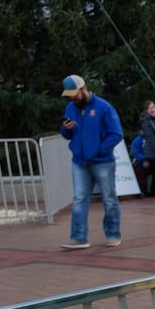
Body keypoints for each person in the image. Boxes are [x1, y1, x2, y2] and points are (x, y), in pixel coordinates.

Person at [59, 75, 123, 249]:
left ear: (83, 89)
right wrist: (66, 129)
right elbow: (66, 135)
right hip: (79, 161)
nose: (72, 97)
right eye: (70, 95)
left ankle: (112, 234)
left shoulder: (103, 107)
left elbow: (116, 133)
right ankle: (78, 237)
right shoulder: (70, 108)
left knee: (109, 198)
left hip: (102, 161)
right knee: (79, 198)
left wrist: (100, 150)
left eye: (75, 94)